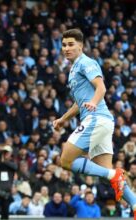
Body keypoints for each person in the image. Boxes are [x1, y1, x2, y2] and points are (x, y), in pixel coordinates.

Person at [53, 28, 136, 218]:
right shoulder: (73, 69)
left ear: (81, 46)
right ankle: (135, 203)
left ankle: (115, 175)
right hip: (103, 122)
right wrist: (63, 119)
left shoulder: (86, 63)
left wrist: (93, 102)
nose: (66, 48)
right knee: (107, 174)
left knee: (65, 160)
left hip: (96, 119)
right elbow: (78, 103)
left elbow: (101, 87)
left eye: (71, 44)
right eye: (64, 45)